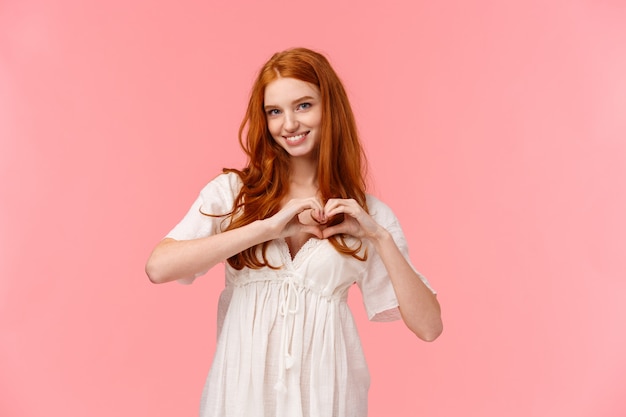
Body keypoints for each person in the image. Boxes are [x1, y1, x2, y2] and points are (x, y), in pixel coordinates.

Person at [145, 47, 443, 417]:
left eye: (303, 105)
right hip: (240, 399)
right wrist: (265, 228)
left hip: (327, 399)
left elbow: (429, 326)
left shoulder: (367, 215)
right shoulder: (234, 194)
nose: (288, 124)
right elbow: (159, 267)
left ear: (329, 108)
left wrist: (379, 237)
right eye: (275, 111)